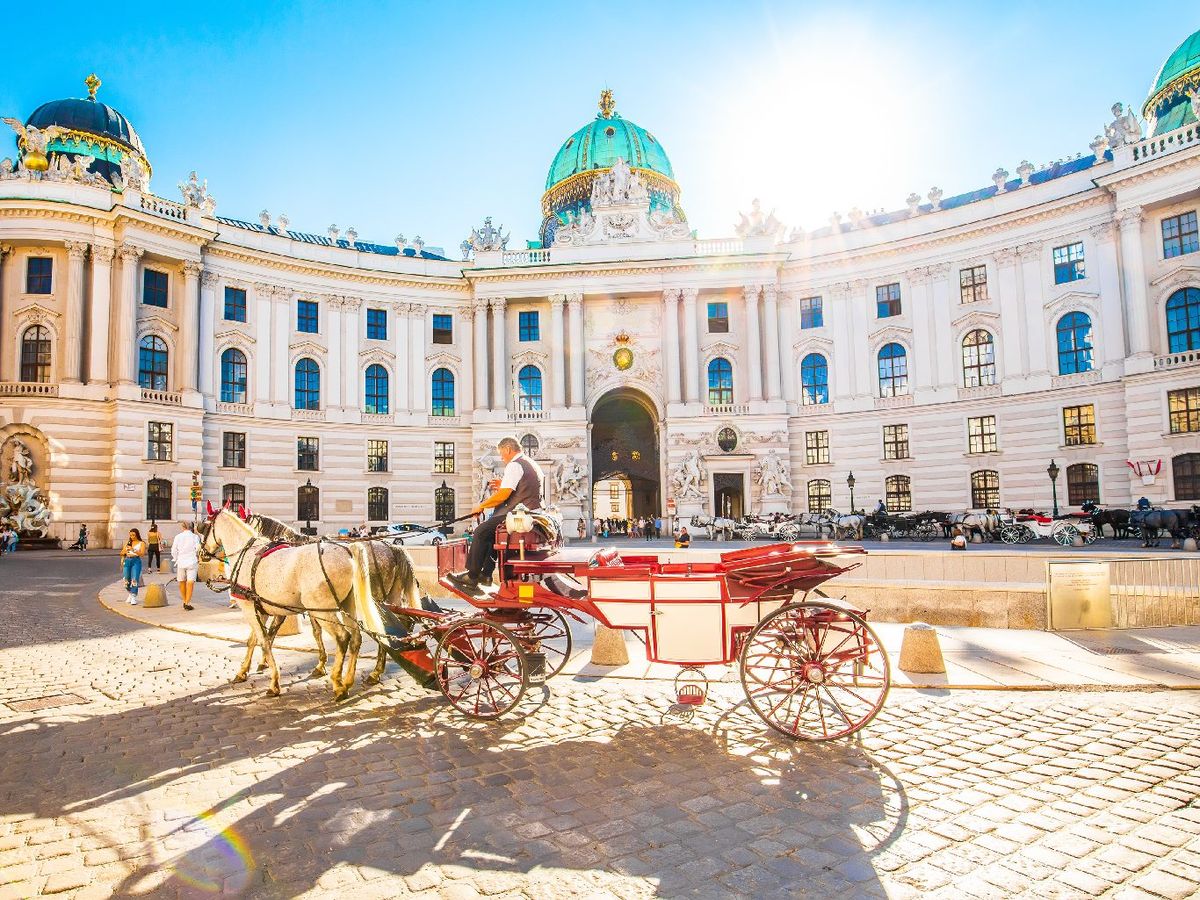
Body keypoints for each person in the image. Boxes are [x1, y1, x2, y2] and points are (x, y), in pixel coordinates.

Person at [447, 436, 544, 592]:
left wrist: (481, 506)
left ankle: (472, 576)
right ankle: (486, 575)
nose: (501, 458)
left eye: (501, 453)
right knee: (491, 534)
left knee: (480, 531)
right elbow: (521, 488)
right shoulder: (530, 463)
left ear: (507, 449)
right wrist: (502, 485)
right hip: (532, 512)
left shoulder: (515, 465)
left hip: (519, 514)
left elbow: (504, 495)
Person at [171, 521, 202, 611]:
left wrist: (176, 559)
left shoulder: (178, 537)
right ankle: (188, 602)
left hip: (181, 561)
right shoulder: (195, 537)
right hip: (192, 560)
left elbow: (174, 550)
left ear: (183, 527)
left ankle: (184, 600)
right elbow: (198, 548)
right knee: (190, 582)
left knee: (181, 581)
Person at [121, 528, 147, 605]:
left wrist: (133, 549)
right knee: (126, 579)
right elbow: (121, 552)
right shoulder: (128, 543)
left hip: (136, 561)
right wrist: (125, 551)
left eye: (133, 535)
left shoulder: (141, 543)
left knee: (135, 578)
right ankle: (130, 592)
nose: (132, 536)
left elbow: (142, 554)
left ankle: (133, 596)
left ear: (137, 535)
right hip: (127, 560)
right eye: (131, 535)